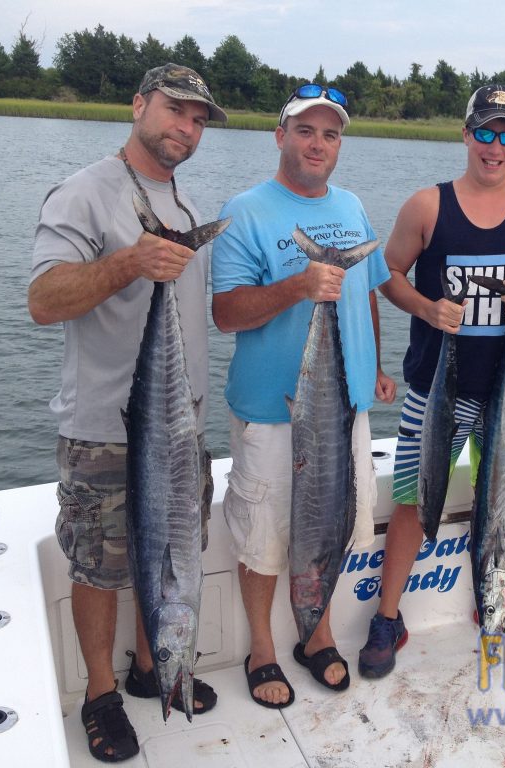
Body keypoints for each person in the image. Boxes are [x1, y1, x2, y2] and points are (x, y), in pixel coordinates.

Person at [29, 64, 226, 762]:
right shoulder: (84, 193)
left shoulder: (187, 200)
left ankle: (154, 667)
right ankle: (100, 695)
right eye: (176, 111)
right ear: (138, 105)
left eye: (199, 120)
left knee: (169, 552)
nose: (187, 127)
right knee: (100, 565)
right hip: (105, 429)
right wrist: (127, 263)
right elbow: (44, 301)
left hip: (179, 426)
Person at [358, 84, 505, 679]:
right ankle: (388, 615)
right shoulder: (428, 205)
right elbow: (388, 274)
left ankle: (498, 601)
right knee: (413, 499)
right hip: (436, 390)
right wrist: (428, 309)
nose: (495, 146)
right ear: (465, 134)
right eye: (485, 132)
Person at [211, 83, 395, 708]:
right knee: (264, 532)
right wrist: (297, 286)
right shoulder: (245, 211)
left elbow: (367, 287)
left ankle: (314, 632)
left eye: (331, 134)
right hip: (270, 410)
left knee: (337, 522)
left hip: (344, 407)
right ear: (281, 136)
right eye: (307, 131)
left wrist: (374, 364)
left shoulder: (352, 206)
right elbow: (226, 314)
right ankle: (262, 647)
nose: (319, 144)